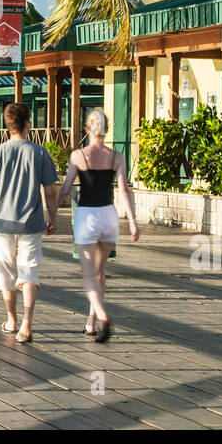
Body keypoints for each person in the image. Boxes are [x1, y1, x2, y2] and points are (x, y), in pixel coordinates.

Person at [0, 102, 59, 344]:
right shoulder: (40, 153)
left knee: (6, 275)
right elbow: (50, 192)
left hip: (1, 222)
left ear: (8, 125)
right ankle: (27, 324)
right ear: (28, 124)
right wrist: (52, 217)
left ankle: (11, 320)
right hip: (31, 223)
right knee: (29, 271)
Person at [57, 109, 140, 343]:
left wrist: (52, 214)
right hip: (109, 216)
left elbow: (64, 189)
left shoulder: (78, 155)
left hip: (86, 216)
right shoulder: (117, 156)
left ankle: (102, 316)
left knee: (89, 275)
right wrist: (132, 222)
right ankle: (90, 323)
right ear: (107, 129)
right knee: (100, 272)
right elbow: (123, 190)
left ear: (87, 129)